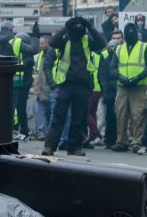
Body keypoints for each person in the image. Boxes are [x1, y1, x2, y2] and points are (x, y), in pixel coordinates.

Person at [42, 17, 107, 156]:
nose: (78, 28)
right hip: (65, 84)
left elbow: (102, 44)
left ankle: (74, 147)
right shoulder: (64, 40)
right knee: (59, 117)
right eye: (75, 26)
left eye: (80, 26)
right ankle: (49, 147)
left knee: (78, 118)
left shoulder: (87, 40)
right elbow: (52, 42)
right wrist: (66, 27)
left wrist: (90, 27)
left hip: (83, 85)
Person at [110, 23, 147, 152]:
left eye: (133, 30)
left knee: (138, 115)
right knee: (121, 114)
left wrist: (137, 78)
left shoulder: (145, 47)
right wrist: (120, 77)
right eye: (128, 30)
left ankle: (137, 142)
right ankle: (122, 141)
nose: (130, 32)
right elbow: (112, 67)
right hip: (123, 86)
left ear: (137, 32)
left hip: (139, 86)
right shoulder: (119, 49)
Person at [32, 35, 52, 139]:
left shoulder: (51, 55)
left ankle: (47, 132)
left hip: (48, 88)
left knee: (49, 112)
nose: (40, 45)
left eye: (42, 43)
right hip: (40, 89)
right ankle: (42, 131)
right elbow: (37, 73)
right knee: (40, 112)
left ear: (48, 43)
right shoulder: (39, 56)